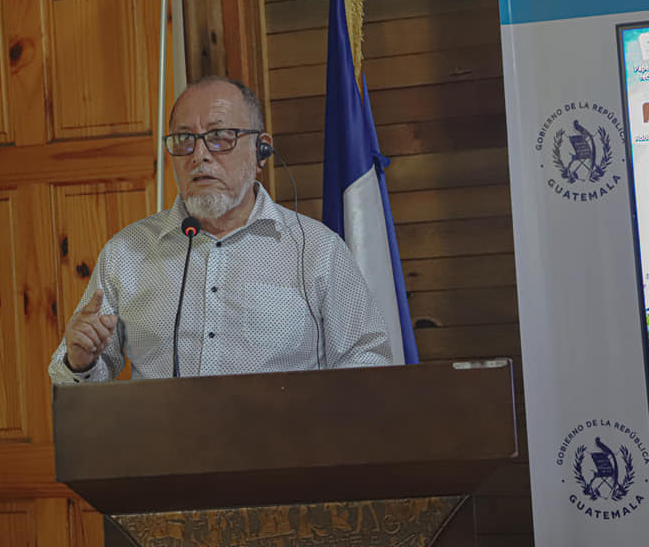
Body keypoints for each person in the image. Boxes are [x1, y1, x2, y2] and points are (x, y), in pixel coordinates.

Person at [48, 76, 392, 384]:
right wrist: (80, 362)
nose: (199, 155)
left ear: (260, 150)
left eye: (219, 137)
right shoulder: (127, 252)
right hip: (163, 438)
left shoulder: (317, 249)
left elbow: (367, 362)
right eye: (184, 139)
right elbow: (78, 382)